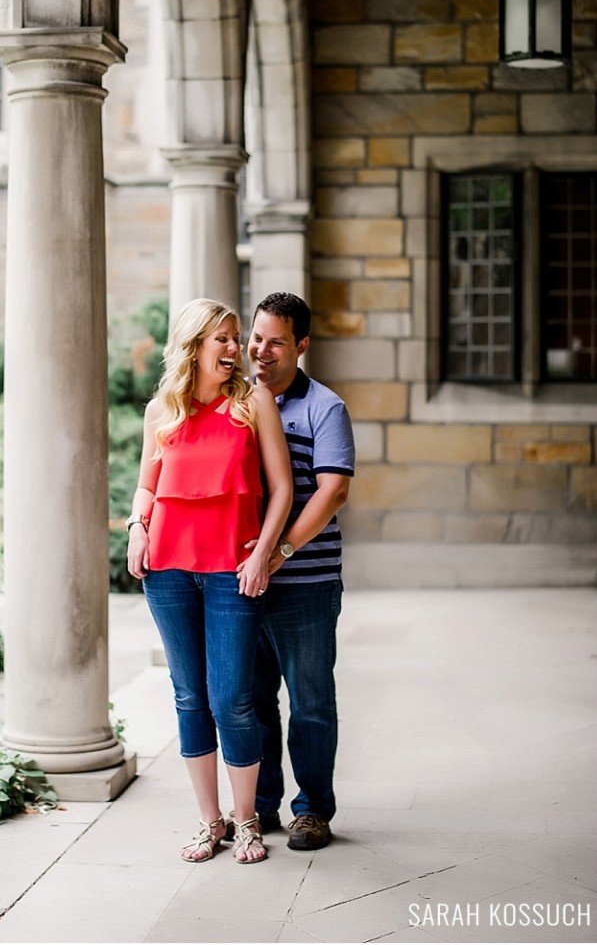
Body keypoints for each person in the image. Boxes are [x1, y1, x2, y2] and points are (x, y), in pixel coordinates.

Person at [126, 297, 293, 865]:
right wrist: (135, 528)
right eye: (221, 338)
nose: (234, 348)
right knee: (189, 697)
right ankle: (210, 821)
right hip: (168, 570)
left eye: (234, 337)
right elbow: (147, 485)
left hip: (231, 570)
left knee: (232, 699)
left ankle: (248, 821)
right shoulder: (162, 410)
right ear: (194, 346)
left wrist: (263, 554)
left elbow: (282, 490)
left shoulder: (254, 403)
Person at [243, 291, 355, 851]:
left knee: (310, 702)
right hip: (240, 586)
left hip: (305, 584)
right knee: (254, 699)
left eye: (276, 342)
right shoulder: (237, 403)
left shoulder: (324, 408)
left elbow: (333, 490)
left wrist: (278, 552)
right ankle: (260, 806)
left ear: (302, 346)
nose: (260, 351)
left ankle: (312, 810)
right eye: (256, 338)